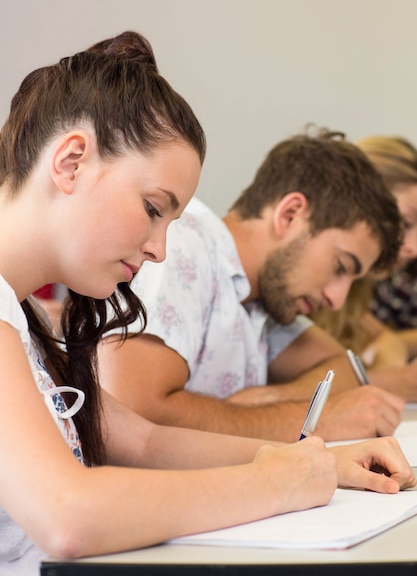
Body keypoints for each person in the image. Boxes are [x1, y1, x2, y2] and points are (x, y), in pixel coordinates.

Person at [3, 31, 415, 576]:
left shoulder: (27, 323)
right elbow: (69, 516)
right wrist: (275, 484)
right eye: (153, 208)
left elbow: (144, 440)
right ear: (71, 161)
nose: (160, 248)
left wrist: (319, 462)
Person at [98, 128, 406, 443]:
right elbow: (131, 413)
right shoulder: (185, 244)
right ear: (290, 215)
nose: (336, 299)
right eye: (340, 267)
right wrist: (313, 420)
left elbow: (345, 371)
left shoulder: (260, 299)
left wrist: (265, 400)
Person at [311, 135, 417, 400]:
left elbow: (388, 344)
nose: (414, 248)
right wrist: (397, 381)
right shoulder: (308, 283)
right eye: (404, 224)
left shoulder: (357, 289)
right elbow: (287, 387)